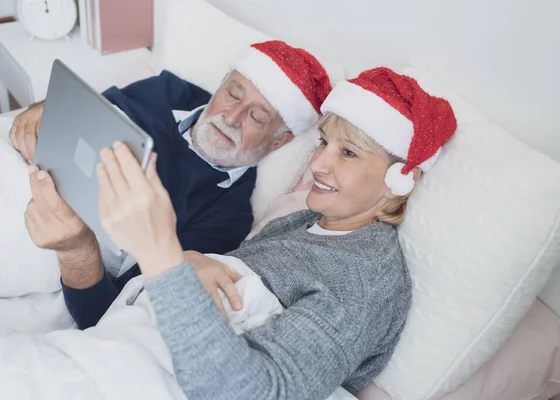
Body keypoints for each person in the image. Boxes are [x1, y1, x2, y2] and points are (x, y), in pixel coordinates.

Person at [95, 67, 458, 399]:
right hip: (117, 349)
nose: (317, 164)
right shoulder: (301, 222)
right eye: (322, 143)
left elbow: (252, 393)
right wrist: (191, 261)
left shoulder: (367, 279)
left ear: (399, 179)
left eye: (347, 153)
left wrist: (162, 256)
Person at [10, 40, 334, 329]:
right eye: (233, 93)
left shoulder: (226, 218)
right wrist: (44, 109)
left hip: (40, 235)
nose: (232, 117)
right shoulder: (168, 91)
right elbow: (87, 109)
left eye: (258, 117)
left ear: (280, 141)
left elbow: (107, 313)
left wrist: (76, 250)